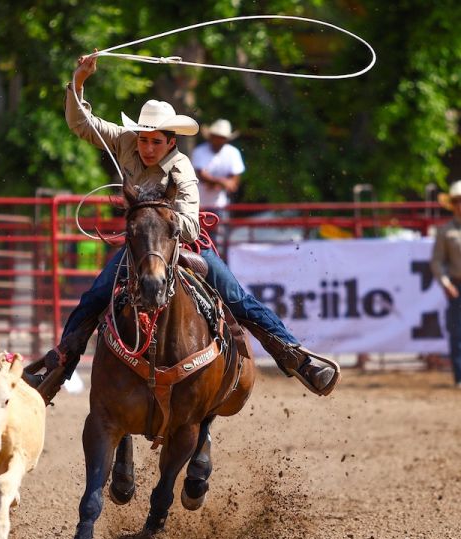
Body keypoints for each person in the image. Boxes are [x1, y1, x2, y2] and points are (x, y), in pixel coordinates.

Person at [34, 52, 339, 398]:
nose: (147, 148)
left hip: (181, 247)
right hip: (142, 247)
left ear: (171, 141)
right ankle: (58, 369)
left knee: (237, 298)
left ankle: (296, 358)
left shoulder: (182, 169)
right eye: (143, 139)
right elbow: (81, 124)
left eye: (155, 142)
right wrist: (78, 81)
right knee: (93, 299)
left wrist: (156, 217)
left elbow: (191, 226)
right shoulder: (124, 141)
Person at [431, 180, 461, 387]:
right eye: (457, 201)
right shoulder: (445, 231)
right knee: (457, 331)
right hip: (457, 286)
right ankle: (460, 376)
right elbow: (437, 261)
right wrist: (445, 283)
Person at [192, 118, 245, 211]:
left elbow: (234, 181)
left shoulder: (233, 152)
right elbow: (201, 176)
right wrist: (223, 182)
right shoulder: (199, 151)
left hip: (222, 204)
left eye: (221, 137)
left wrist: (215, 183)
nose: (218, 140)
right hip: (198, 204)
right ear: (211, 136)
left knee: (221, 224)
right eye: (217, 137)